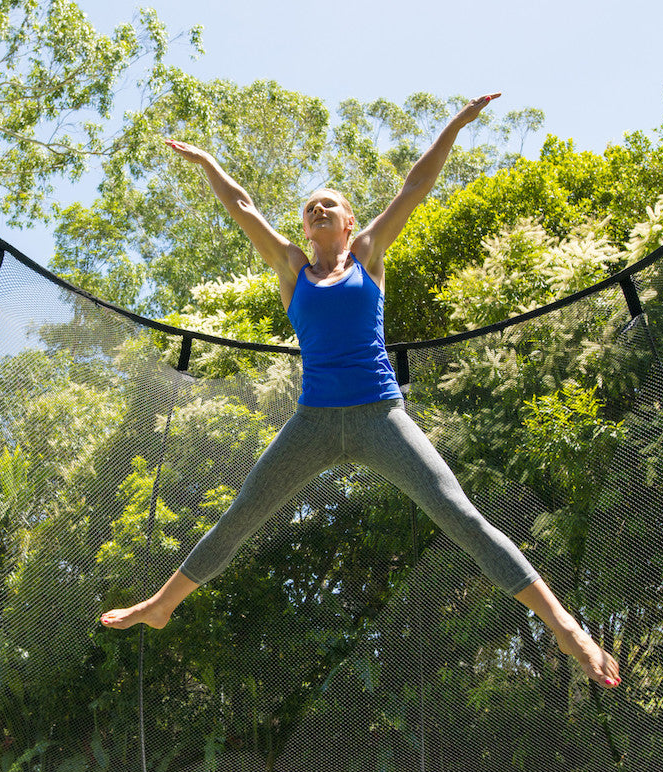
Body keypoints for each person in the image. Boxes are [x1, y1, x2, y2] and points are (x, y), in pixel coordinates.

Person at [100, 94, 620, 689]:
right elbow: (243, 206)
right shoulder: (292, 267)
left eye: (332, 206)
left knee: (459, 514)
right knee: (243, 512)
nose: (319, 209)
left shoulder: (368, 257)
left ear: (349, 224)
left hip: (381, 416)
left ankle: (562, 625)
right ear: (305, 228)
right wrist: (205, 161)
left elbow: (415, 188)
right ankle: (163, 604)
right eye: (310, 207)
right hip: (314, 421)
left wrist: (454, 125)